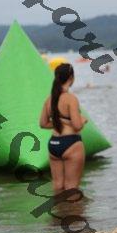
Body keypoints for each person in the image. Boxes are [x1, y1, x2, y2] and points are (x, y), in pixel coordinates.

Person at [39, 63, 87, 194]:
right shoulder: (71, 99)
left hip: (54, 144)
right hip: (71, 144)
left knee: (58, 187)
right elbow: (77, 126)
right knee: (72, 188)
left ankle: (57, 208)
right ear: (71, 78)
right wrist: (82, 120)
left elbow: (43, 123)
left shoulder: (49, 99)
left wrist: (59, 122)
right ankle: (74, 208)